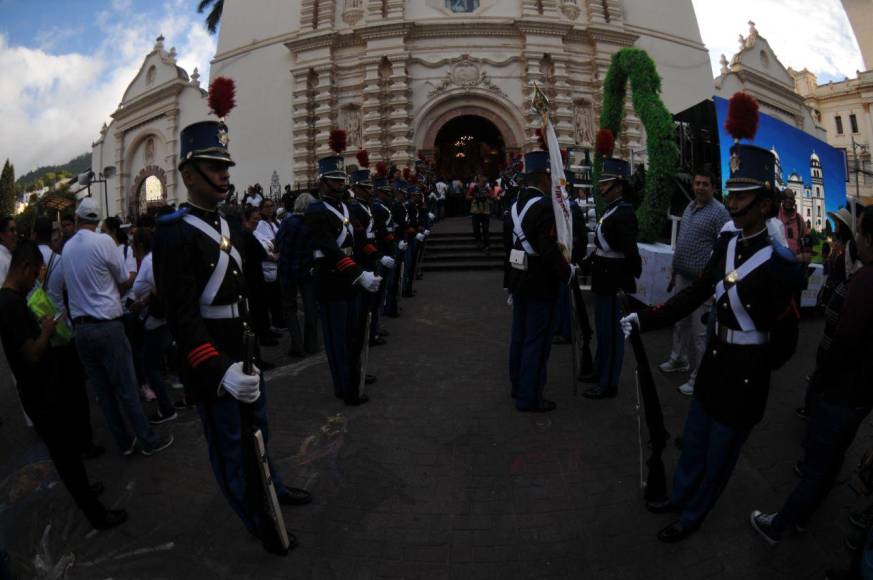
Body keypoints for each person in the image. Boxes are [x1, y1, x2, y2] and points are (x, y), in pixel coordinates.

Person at [621, 140, 803, 543]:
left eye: (743, 196)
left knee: (720, 455)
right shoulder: (727, 243)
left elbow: (787, 339)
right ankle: (680, 496)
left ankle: (694, 515)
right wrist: (647, 318)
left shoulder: (780, 266)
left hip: (745, 374)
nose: (733, 204)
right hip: (716, 360)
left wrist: (755, 362)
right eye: (732, 194)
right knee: (696, 439)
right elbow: (697, 292)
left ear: (764, 204)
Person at [153, 115, 311, 556]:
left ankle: (271, 490)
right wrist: (220, 370)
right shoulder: (173, 233)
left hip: (242, 348)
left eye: (225, 164)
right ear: (188, 174)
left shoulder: (225, 223)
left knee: (258, 432)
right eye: (213, 165)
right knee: (229, 446)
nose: (225, 173)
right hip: (212, 360)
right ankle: (258, 520)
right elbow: (181, 316)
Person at [749, 204, 873, 545]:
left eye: (862, 233)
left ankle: (781, 525)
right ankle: (804, 515)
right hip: (860, 395)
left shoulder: (864, 281)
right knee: (832, 459)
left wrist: (823, 381)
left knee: (819, 461)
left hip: (842, 390)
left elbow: (845, 339)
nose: (858, 239)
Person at [0, 242, 127, 529]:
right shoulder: (10, 305)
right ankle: (96, 514)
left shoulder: (13, 302)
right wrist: (46, 330)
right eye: (34, 274)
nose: (35, 280)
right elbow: (31, 353)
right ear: (24, 267)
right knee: (65, 455)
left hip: (46, 389)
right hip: (40, 394)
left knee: (67, 448)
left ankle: (84, 487)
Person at [63, 198, 173, 456]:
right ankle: (148, 440)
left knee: (104, 392)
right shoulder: (104, 242)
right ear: (98, 221)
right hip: (107, 325)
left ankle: (124, 443)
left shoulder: (67, 249)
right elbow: (124, 281)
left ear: (78, 219)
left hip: (81, 330)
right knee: (126, 387)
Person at [305, 152, 381, 406]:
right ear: (323, 182)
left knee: (354, 334)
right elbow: (330, 249)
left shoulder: (345, 208)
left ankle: (354, 376)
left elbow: (357, 239)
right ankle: (345, 387)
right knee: (338, 340)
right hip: (331, 280)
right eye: (335, 181)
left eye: (342, 181)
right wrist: (358, 273)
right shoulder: (316, 211)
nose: (341, 185)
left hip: (349, 279)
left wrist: (373, 260)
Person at [503, 151, 574, 413]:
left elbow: (507, 248)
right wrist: (568, 273)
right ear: (544, 177)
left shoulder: (513, 205)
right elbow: (548, 248)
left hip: (519, 277)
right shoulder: (545, 206)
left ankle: (517, 385)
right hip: (540, 281)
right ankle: (530, 397)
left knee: (519, 336)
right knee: (537, 340)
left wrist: (508, 281)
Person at [32, 217, 103, 459]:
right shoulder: (60, 260)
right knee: (75, 392)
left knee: (55, 389)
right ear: (52, 235)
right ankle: (85, 442)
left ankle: (63, 438)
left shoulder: (28, 262)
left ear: (33, 235)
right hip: (63, 330)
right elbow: (70, 292)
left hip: (40, 332)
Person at [660, 168, 730, 396]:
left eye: (705, 184)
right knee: (680, 322)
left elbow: (724, 248)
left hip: (702, 285)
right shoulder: (689, 207)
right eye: (697, 183)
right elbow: (682, 241)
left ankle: (698, 377)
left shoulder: (720, 213)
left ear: (713, 187)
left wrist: (711, 275)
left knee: (700, 332)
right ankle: (678, 359)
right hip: (682, 276)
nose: (700, 187)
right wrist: (674, 269)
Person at [580, 156, 641, 399]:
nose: (601, 188)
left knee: (612, 334)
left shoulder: (624, 212)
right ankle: (599, 371)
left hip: (614, 280)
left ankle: (608, 383)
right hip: (604, 277)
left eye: (606, 184)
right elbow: (604, 248)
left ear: (619, 185)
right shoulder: (613, 209)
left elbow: (628, 251)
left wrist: (629, 279)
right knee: (603, 329)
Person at [131, 227, 185, 424]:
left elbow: (161, 287)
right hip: (160, 319)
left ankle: (166, 408)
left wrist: (144, 302)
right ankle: (188, 396)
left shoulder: (148, 263)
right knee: (170, 356)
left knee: (150, 366)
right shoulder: (154, 259)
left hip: (156, 320)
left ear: (140, 245)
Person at [276, 193, 319, 357]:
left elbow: (278, 242)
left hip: (287, 269)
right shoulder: (313, 222)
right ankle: (311, 343)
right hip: (306, 269)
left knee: (290, 308)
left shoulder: (288, 221)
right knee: (310, 307)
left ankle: (297, 345)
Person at [241, 206, 279, 348]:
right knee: (257, 309)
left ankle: (266, 332)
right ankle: (262, 337)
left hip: (258, 274)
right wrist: (273, 257)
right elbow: (260, 252)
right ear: (246, 219)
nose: (257, 222)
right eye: (254, 219)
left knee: (263, 306)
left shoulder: (251, 233)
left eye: (258, 219)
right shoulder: (246, 235)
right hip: (252, 277)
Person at [255, 198, 284, 331]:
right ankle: (275, 322)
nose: (270, 209)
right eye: (266, 207)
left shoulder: (277, 222)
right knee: (273, 297)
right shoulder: (260, 224)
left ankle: (280, 320)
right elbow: (270, 242)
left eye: (271, 206)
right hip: (270, 264)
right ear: (261, 209)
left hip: (281, 263)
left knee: (280, 295)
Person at [468, 176, 493, 251]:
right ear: (479, 182)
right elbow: (467, 196)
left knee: (486, 229)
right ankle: (478, 242)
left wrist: (487, 195)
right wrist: (475, 197)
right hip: (476, 211)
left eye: (485, 182)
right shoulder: (474, 188)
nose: (484, 184)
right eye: (483, 182)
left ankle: (487, 244)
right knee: (476, 228)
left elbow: (493, 196)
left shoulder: (487, 188)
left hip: (485, 211)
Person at [0, 216, 17, 284]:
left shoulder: (8, 254)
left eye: (15, 230)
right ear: (1, 235)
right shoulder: (1, 258)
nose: (15, 233)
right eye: (12, 230)